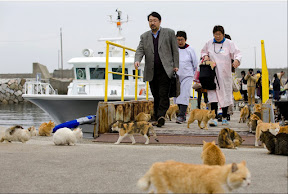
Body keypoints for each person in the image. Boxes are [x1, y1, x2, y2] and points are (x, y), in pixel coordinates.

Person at [134, 12, 179, 127]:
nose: (152, 23)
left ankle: (160, 116)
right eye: (150, 21)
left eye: (154, 20)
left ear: (160, 21)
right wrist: (137, 60)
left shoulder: (169, 33)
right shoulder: (144, 36)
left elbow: (175, 50)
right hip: (151, 70)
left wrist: (176, 65)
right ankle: (158, 116)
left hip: (166, 69)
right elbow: (140, 50)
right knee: (156, 94)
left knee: (163, 93)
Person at [201, 25, 241, 126]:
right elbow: (203, 52)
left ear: (223, 34)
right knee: (213, 96)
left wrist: (236, 60)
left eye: (219, 34)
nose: (217, 36)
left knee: (225, 96)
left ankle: (224, 117)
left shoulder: (229, 43)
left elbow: (238, 53)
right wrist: (205, 56)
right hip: (212, 73)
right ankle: (214, 118)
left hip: (224, 74)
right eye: (215, 34)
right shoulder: (209, 43)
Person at [174, 31, 198, 124]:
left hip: (187, 75)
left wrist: (196, 77)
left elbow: (195, 64)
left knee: (184, 94)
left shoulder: (190, 50)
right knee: (177, 95)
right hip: (176, 75)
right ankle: (181, 112)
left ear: (185, 40)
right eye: (178, 40)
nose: (180, 42)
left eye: (181, 40)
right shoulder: (174, 49)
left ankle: (182, 115)